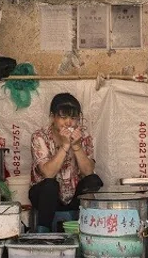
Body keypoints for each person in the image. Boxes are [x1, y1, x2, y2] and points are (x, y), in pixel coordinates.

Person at [29, 93, 103, 232]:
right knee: (50, 186)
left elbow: (88, 172)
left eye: (73, 118)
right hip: (45, 197)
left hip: (73, 195)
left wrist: (76, 146)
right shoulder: (40, 136)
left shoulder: (83, 137)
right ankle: (42, 233)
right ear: (53, 117)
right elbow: (48, 173)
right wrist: (64, 146)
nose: (68, 122)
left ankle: (89, 228)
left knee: (93, 181)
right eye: (63, 117)